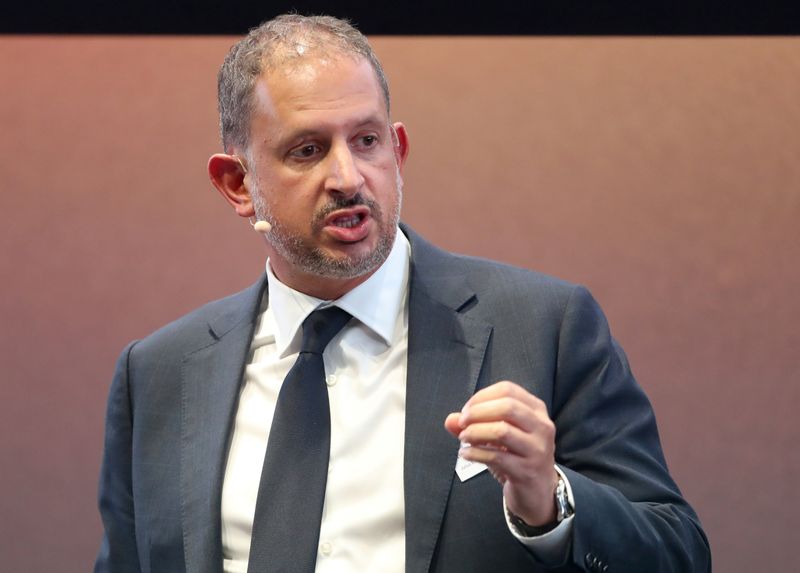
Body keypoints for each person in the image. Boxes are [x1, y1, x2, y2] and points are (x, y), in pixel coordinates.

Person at [95, 14, 711, 573]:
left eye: (366, 141)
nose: (347, 177)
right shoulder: (158, 374)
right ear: (237, 183)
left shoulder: (546, 328)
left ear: (399, 150)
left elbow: (678, 553)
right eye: (307, 151)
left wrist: (552, 501)